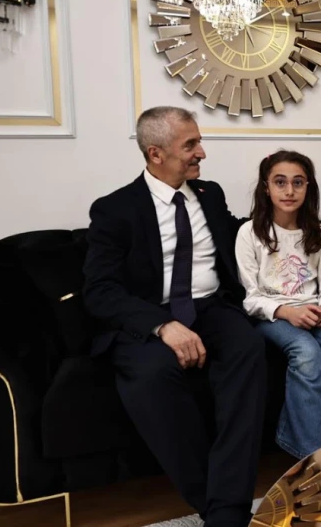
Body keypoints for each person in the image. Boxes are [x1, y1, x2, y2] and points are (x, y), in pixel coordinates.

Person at [83, 107, 266, 527]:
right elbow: (100, 290)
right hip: (151, 316)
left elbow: (243, 234)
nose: (202, 152)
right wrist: (162, 325)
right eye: (190, 145)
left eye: (199, 142)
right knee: (151, 375)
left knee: (249, 348)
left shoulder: (209, 194)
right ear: (156, 153)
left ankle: (225, 509)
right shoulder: (115, 210)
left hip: (211, 307)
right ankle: (221, 508)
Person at [235, 150, 321, 459]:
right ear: (266, 187)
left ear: (308, 187)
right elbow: (251, 298)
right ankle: (309, 456)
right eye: (280, 182)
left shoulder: (319, 233)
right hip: (272, 315)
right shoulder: (250, 233)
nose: (289, 191)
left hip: (314, 310)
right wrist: (286, 312)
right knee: (307, 354)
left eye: (298, 182)